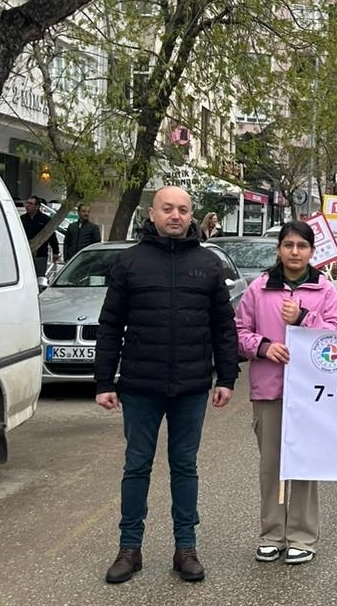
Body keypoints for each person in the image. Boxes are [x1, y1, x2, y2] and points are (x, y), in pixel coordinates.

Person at [94, 186, 239, 584]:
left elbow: (223, 326)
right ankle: (129, 548)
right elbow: (110, 325)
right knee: (136, 464)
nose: (176, 216)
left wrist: (226, 377)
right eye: (168, 209)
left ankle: (185, 548)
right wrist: (104, 381)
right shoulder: (129, 262)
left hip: (191, 386)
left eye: (183, 210)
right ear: (152, 214)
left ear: (192, 215)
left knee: (185, 466)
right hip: (140, 385)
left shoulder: (208, 264)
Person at [235, 221, 337, 565]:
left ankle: (302, 536)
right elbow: (238, 331)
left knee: (304, 464)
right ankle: (272, 534)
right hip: (269, 390)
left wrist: (303, 318)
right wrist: (263, 347)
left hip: (310, 394)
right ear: (279, 249)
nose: (294, 252)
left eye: (301, 246)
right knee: (271, 465)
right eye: (288, 245)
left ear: (312, 251)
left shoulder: (325, 290)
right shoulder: (259, 288)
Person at [19, 194, 60, 277]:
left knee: (39, 276)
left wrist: (56, 251)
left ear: (37, 206)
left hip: (40, 254)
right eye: (27, 203)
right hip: (25, 253)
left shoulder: (45, 219)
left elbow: (51, 236)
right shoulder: (22, 219)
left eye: (30, 203)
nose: (27, 205)